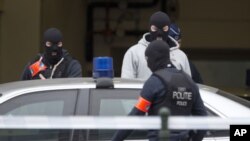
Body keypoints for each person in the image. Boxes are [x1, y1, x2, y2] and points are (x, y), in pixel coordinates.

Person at [112, 40, 207, 141]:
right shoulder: (189, 81)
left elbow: (137, 114)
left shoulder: (155, 82)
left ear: (154, 58)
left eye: (147, 59)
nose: (147, 63)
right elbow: (203, 119)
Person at [121, 11, 191, 80]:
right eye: (155, 29)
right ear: (150, 28)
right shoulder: (134, 53)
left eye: (164, 29)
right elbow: (126, 85)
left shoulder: (181, 56)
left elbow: (188, 86)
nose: (159, 33)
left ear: (168, 29)